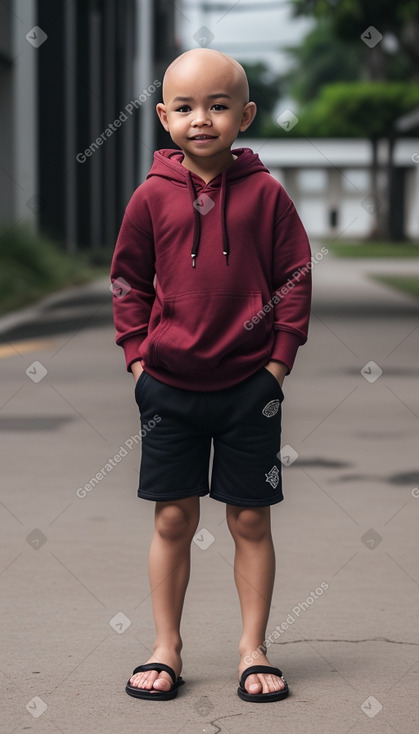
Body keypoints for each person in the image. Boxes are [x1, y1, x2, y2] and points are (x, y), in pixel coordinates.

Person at [111, 47, 311, 703]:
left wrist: (276, 367)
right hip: (167, 388)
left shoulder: (266, 196)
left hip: (249, 390)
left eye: (219, 105)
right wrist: (139, 362)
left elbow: (294, 278)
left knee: (250, 521)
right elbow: (128, 283)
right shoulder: (149, 198)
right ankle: (165, 646)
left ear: (244, 115)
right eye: (188, 107)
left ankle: (253, 649)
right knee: (173, 518)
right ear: (165, 116)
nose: (203, 119)